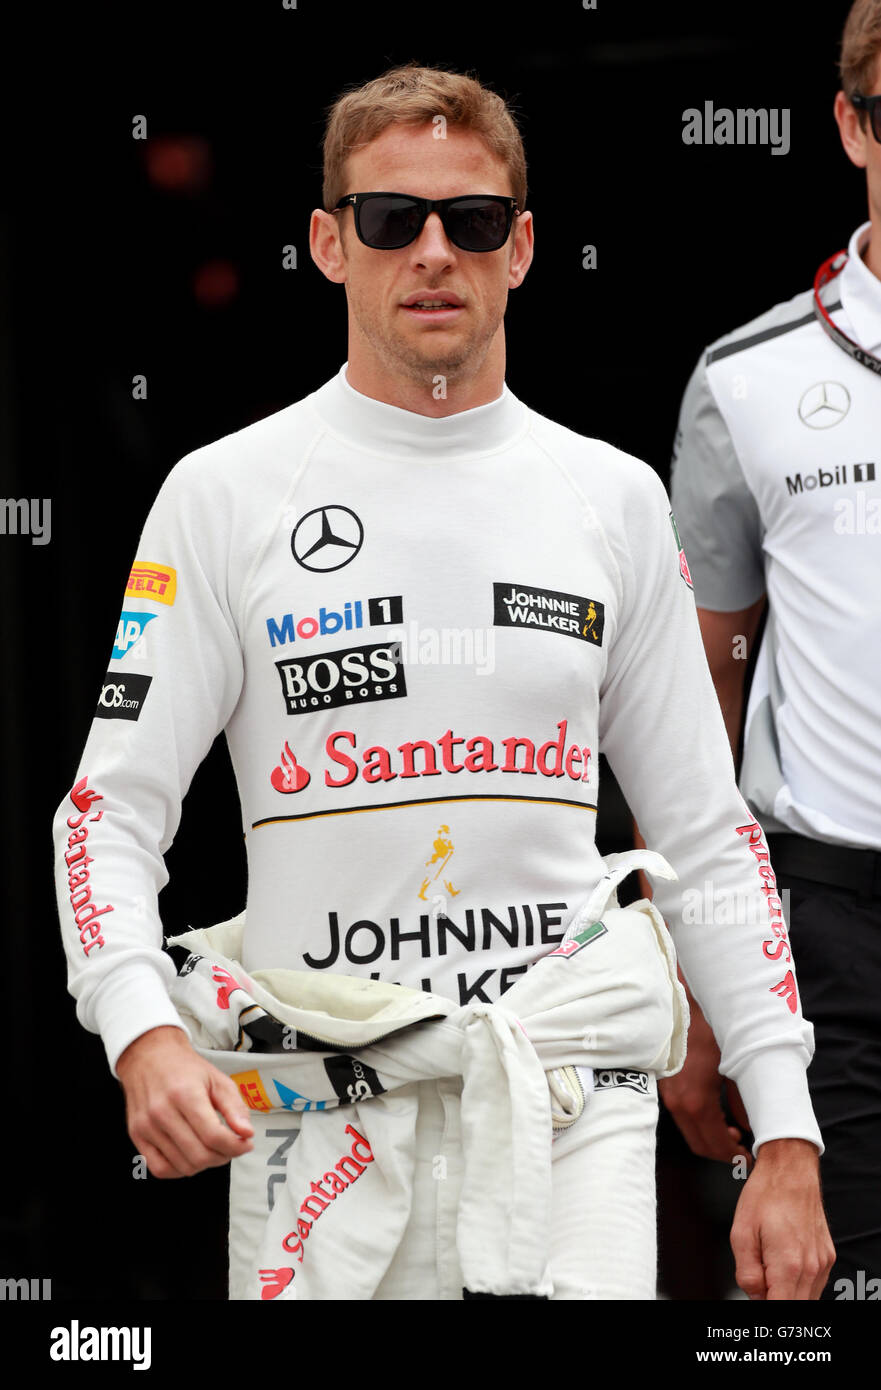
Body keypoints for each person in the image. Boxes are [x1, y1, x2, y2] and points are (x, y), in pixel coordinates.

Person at [54, 62, 834, 1300]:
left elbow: (706, 833)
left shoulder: (612, 497)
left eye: (469, 221)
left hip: (571, 1105)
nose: (432, 251)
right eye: (388, 220)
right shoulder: (222, 494)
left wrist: (785, 1124)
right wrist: (140, 1030)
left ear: (520, 248)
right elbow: (108, 812)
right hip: (316, 1120)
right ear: (326, 243)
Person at [666, 0, 881, 1302]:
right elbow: (694, 703)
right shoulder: (744, 378)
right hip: (835, 925)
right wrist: (699, 986)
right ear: (854, 125)